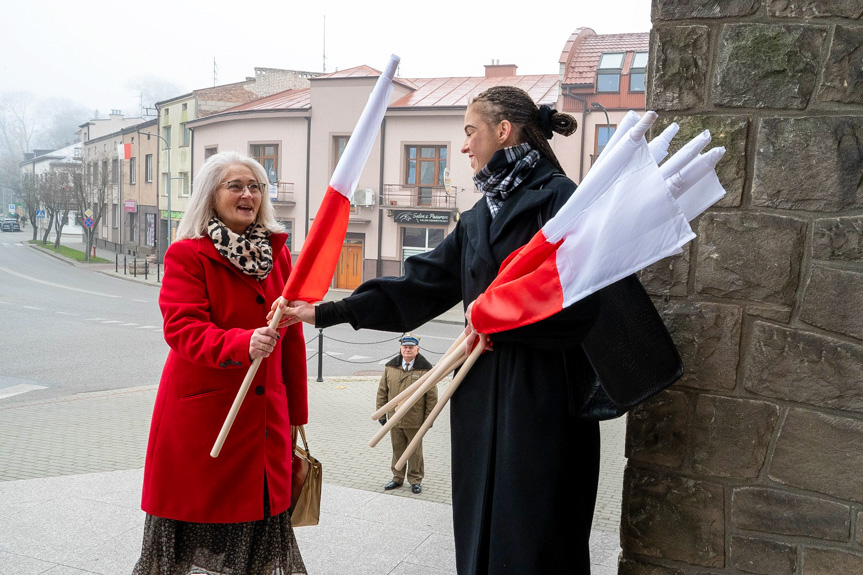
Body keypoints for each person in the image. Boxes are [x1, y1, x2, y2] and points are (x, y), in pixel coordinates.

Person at [279, 85, 607, 574]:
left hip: (541, 394)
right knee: (479, 522)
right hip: (479, 397)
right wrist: (328, 311)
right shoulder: (478, 216)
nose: (465, 146)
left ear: (503, 130)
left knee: (537, 528)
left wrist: (500, 322)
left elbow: (584, 301)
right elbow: (422, 283)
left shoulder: (560, 200)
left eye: (471, 132)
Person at [133, 151, 308, 575]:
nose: (248, 194)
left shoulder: (278, 254)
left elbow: (292, 339)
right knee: (194, 532)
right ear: (211, 195)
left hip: (266, 417)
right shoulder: (187, 254)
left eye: (256, 187)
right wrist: (242, 342)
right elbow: (182, 329)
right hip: (205, 418)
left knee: (258, 538)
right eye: (236, 186)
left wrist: (296, 415)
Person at [377, 332, 436, 494]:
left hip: (415, 419)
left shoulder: (425, 370)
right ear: (401, 349)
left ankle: (415, 480)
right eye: (405, 347)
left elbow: (432, 398)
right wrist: (381, 414)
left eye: (411, 347)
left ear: (417, 349)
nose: (407, 350)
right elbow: (382, 391)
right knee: (397, 448)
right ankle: (397, 477)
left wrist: (428, 420)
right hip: (394, 418)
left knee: (415, 451)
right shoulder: (390, 368)